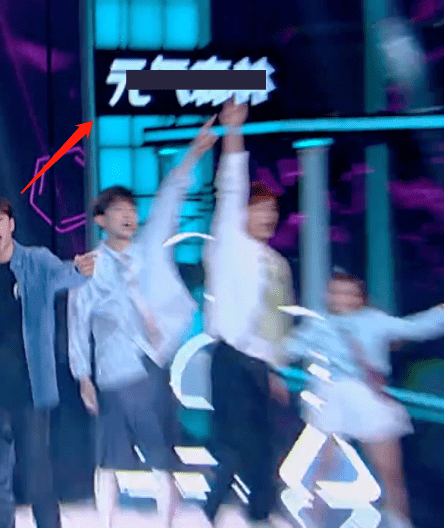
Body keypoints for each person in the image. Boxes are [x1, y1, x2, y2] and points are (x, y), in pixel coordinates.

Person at [67, 117, 218, 528]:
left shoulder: (149, 251)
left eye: (132, 209)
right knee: (108, 459)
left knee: (160, 456)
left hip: (150, 363)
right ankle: (107, 522)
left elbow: (168, 201)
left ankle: (166, 522)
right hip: (112, 372)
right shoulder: (91, 266)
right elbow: (77, 322)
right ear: (101, 220)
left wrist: (193, 155)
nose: (128, 216)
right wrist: (83, 377)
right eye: (118, 211)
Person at [0, 192, 96, 528]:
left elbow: (65, 275)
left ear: (12, 224)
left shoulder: (36, 261)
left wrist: (79, 268)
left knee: (37, 474)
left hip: (30, 386)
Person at [283, 271, 444, 528]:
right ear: (328, 295)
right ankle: (312, 523)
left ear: (360, 297)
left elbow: (415, 329)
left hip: (367, 397)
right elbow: (289, 349)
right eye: (336, 292)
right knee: (321, 471)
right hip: (332, 399)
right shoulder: (319, 325)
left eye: (349, 293)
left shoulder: (374, 321)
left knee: (390, 473)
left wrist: (439, 312)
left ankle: (399, 522)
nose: (342, 299)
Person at [201, 100, 295, 528]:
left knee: (264, 449)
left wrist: (276, 369)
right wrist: (233, 131)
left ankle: (260, 517)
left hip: (260, 365)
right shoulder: (229, 242)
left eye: (272, 210)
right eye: (259, 208)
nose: (267, 216)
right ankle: (207, 515)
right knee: (232, 447)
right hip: (230, 359)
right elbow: (232, 184)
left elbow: (278, 324)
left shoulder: (276, 264)